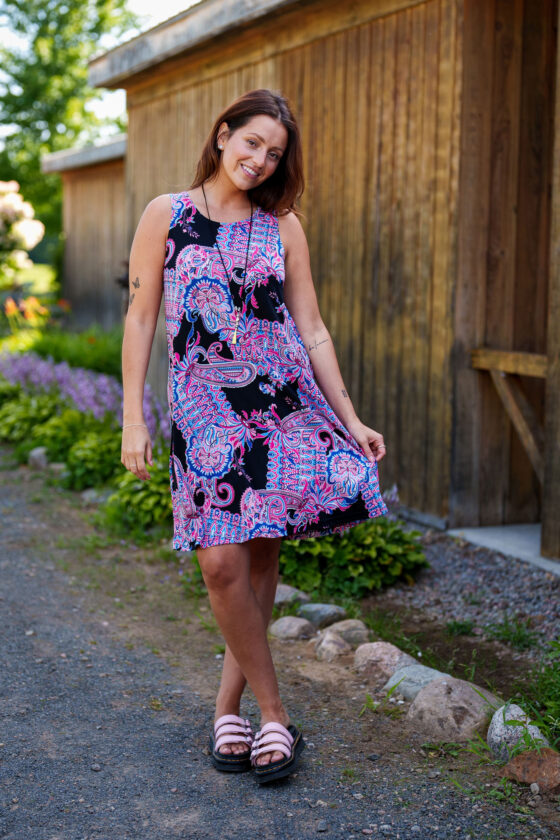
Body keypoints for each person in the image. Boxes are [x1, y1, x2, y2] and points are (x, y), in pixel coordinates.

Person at [120, 88, 388, 784]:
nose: (261, 161)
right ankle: (275, 712)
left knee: (261, 565)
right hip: (205, 419)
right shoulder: (167, 215)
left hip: (282, 414)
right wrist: (132, 415)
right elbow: (142, 318)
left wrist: (351, 417)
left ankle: (230, 711)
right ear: (221, 134)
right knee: (220, 567)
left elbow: (314, 329)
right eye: (252, 143)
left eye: (274, 154)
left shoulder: (283, 225)